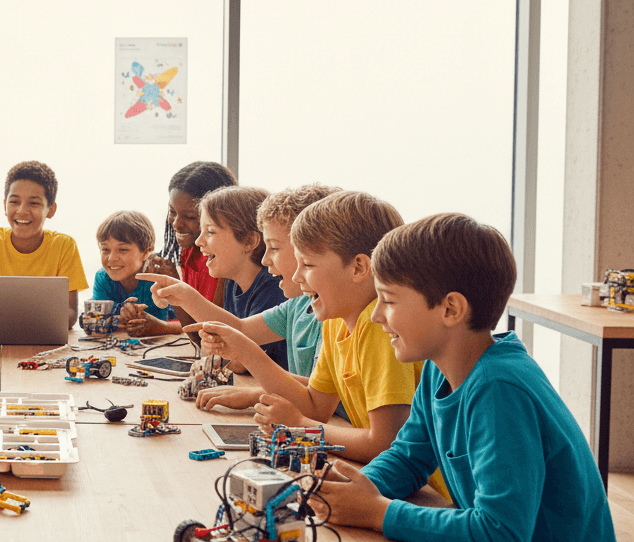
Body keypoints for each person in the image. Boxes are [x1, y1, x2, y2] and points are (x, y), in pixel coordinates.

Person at [315, 213, 632, 542]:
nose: (376, 317)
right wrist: (354, 490)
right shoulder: (437, 370)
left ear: (450, 309)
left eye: (388, 301)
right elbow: (409, 457)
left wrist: (377, 512)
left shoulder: (500, 388)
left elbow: (501, 534)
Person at [185, 192, 441, 490]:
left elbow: (384, 442)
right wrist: (244, 349)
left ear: (359, 267)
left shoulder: (377, 326)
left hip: (429, 493)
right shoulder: (334, 322)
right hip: (390, 481)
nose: (297, 275)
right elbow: (316, 405)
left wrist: (300, 427)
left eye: (307, 264)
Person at [140, 184, 338, 411]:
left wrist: (253, 388)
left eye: (273, 247)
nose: (265, 260)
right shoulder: (296, 305)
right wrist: (184, 295)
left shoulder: (332, 315)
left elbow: (320, 403)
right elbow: (240, 330)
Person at [0, 160, 88, 328]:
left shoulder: (64, 246)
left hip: (45, 343)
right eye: (14, 202)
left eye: (34, 203)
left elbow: (71, 314)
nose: (22, 211)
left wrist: (13, 320)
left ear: (50, 210)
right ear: (4, 205)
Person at [194, 186, 287, 369]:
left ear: (248, 242)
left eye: (210, 231)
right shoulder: (232, 281)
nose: (198, 241)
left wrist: (183, 295)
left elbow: (241, 363)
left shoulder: (273, 287)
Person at [151, 161, 237, 332]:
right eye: (172, 212)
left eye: (190, 217)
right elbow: (195, 332)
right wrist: (173, 286)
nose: (176, 223)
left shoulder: (224, 263)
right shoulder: (189, 254)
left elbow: (212, 330)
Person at [91, 211, 179, 336]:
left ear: (146, 253)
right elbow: (97, 317)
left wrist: (160, 327)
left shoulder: (158, 278)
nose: (111, 258)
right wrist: (119, 316)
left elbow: (185, 322)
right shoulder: (102, 278)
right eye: (105, 249)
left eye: (122, 249)